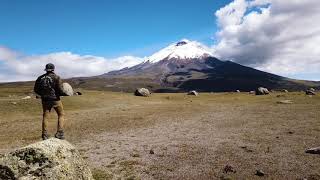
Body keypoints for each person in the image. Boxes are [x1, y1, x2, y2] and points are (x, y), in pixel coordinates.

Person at [34, 63, 65, 140]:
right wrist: (65, 93)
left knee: (45, 116)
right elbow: (60, 90)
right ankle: (59, 133)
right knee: (61, 114)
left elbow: (36, 89)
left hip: (45, 100)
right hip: (55, 99)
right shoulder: (56, 77)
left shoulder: (40, 78)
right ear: (53, 69)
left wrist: (43, 94)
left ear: (46, 69)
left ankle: (45, 134)